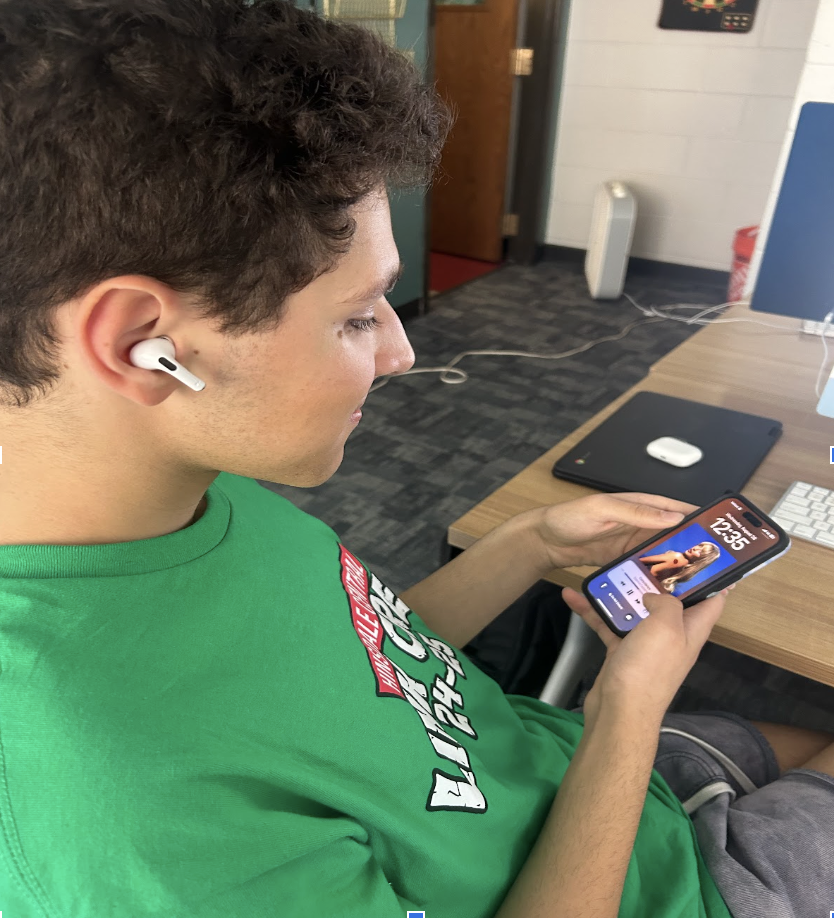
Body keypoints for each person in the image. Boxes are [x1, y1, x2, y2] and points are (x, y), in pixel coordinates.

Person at [0, 2, 831, 917]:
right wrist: (624, 713)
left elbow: (362, 666)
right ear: (144, 345)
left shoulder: (173, 483)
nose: (400, 354)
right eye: (357, 317)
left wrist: (528, 542)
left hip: (551, 763)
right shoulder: (128, 815)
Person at [639, 540, 721, 593]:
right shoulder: (684, 571)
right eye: (699, 545)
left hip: (638, 578)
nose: (695, 548)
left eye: (700, 552)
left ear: (702, 560)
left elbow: (641, 561)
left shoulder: (677, 557)